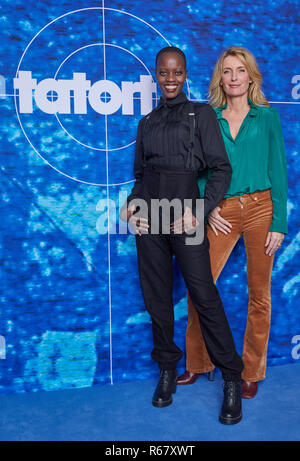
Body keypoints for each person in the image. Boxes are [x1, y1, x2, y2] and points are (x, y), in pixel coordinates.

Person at [120, 46, 244, 425]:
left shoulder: (201, 115)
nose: (170, 79)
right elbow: (141, 177)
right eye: (163, 73)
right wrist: (131, 206)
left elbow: (221, 170)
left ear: (185, 74)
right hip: (151, 220)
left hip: (186, 219)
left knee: (204, 296)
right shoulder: (147, 123)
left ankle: (231, 378)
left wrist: (199, 212)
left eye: (176, 73)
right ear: (156, 75)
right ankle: (167, 370)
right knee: (157, 300)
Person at [176, 46, 288, 399]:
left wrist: (279, 222)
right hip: (220, 211)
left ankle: (251, 370)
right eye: (227, 71)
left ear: (251, 76)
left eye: (240, 70)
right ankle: (198, 363)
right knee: (200, 286)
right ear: (219, 79)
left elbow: (279, 171)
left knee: (260, 295)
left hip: (261, 208)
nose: (234, 77)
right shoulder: (207, 117)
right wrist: (209, 208)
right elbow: (198, 171)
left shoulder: (267, 117)